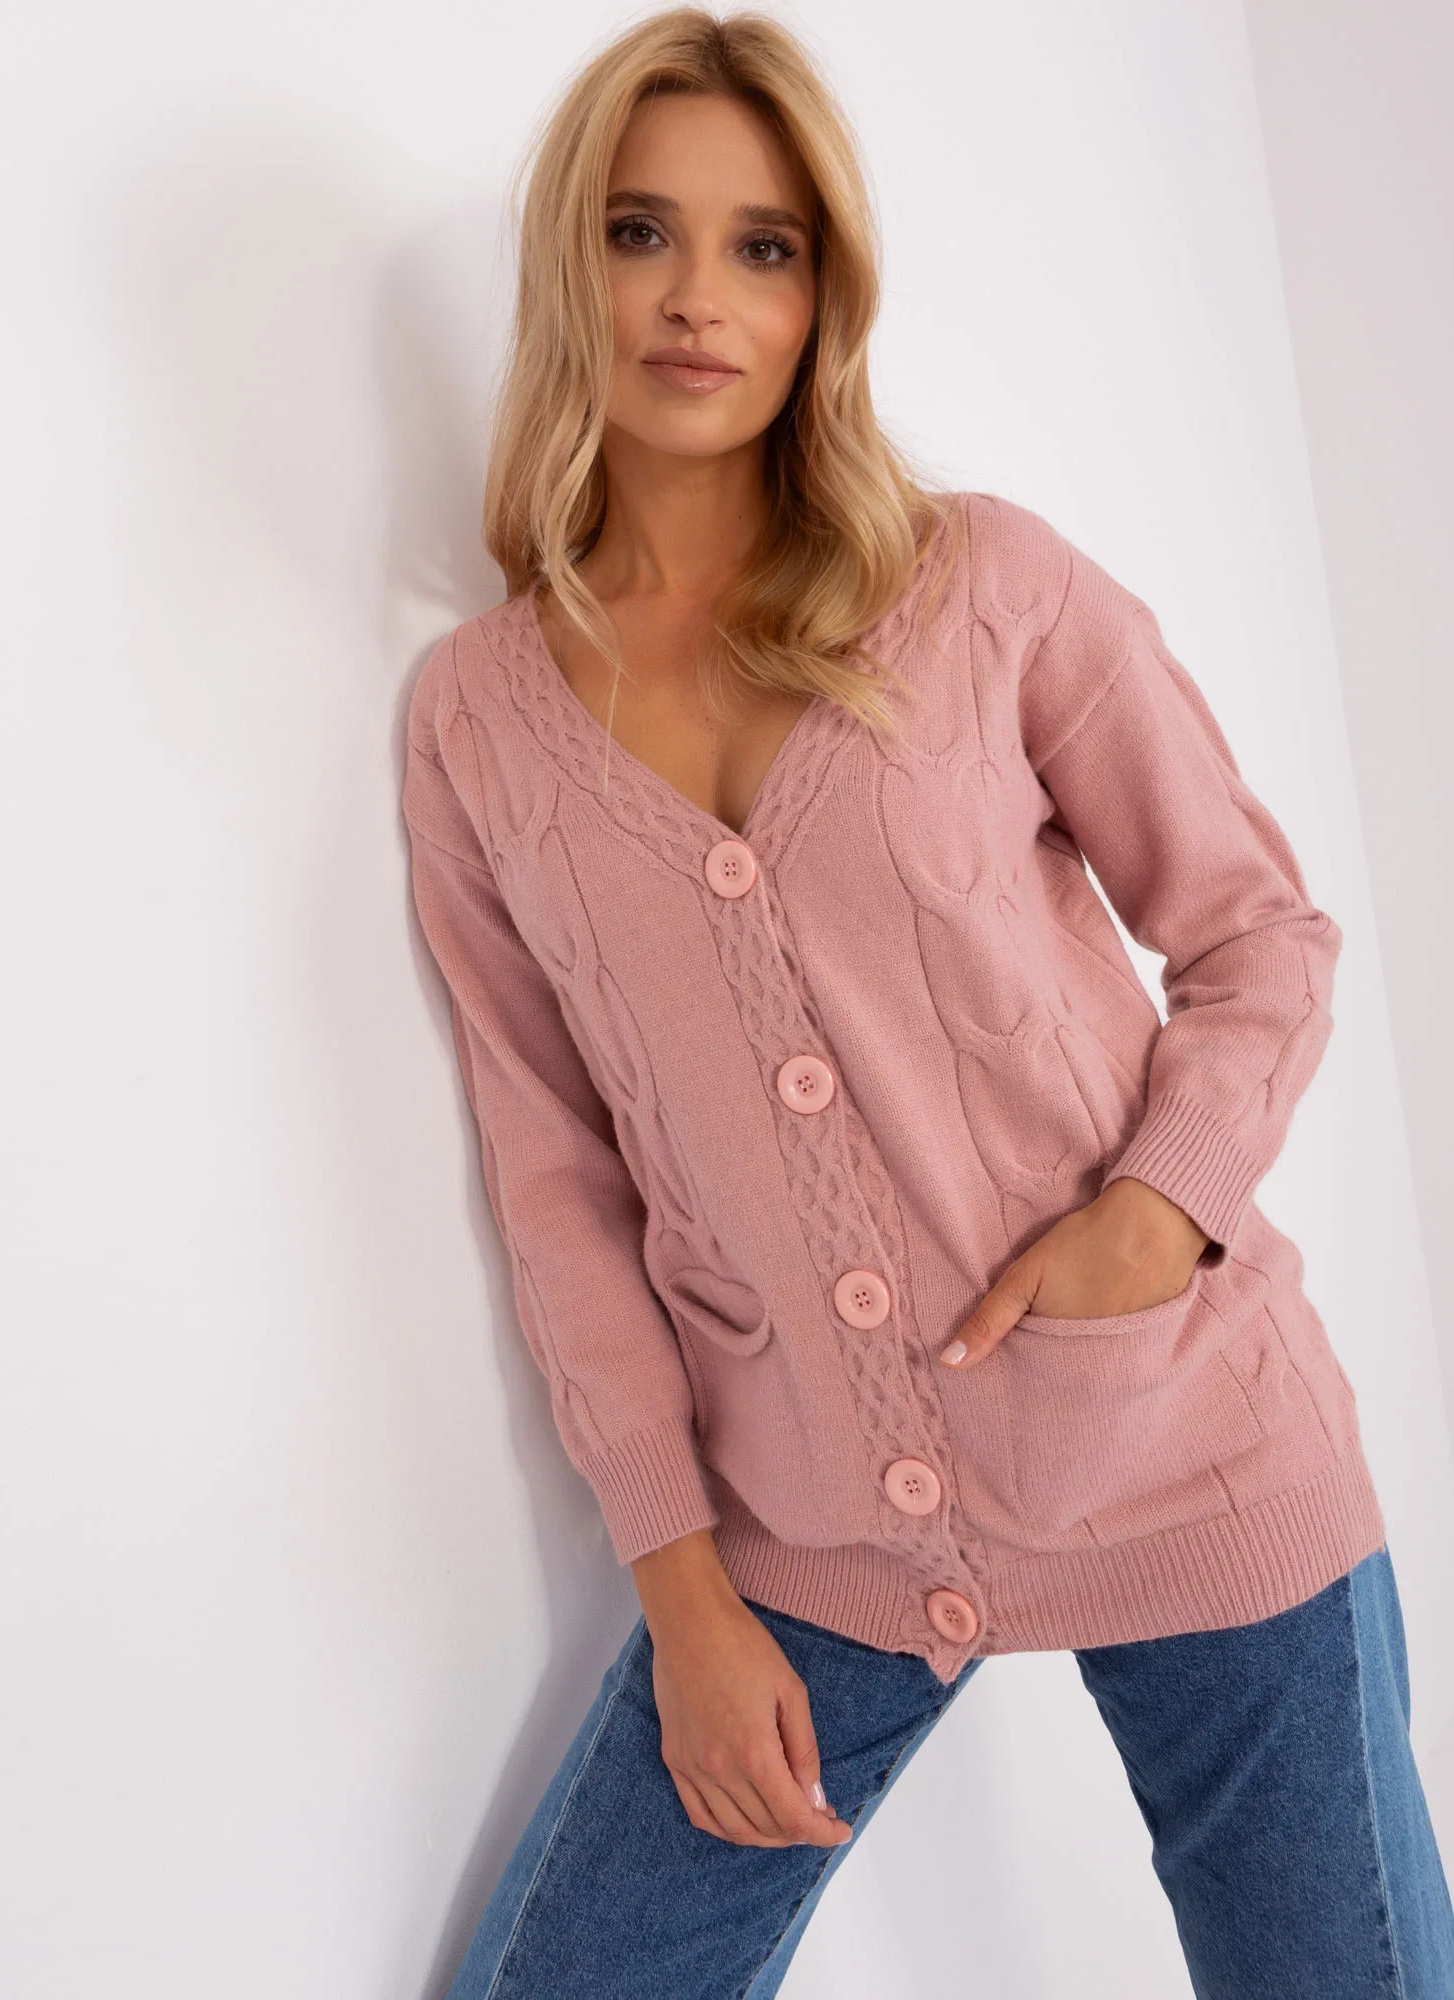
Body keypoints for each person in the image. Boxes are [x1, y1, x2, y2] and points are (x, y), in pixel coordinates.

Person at [400, 9, 1454, 1996]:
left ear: (825, 297)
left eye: (764, 247)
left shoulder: (988, 586)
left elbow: (1260, 932)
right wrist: (681, 1590)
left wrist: (1159, 1212)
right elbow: (557, 1185)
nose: (697, 298)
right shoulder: (480, 722)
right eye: (640, 232)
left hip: (1193, 1441)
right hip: (809, 1526)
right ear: (568, 266)